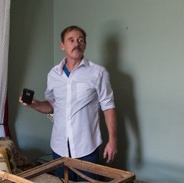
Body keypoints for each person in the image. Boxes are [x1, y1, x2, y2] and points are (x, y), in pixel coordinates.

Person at [20, 25, 117, 174]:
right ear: (62, 46)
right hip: (59, 147)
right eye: (71, 40)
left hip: (87, 147)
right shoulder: (53, 74)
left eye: (80, 40)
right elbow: (52, 105)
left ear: (85, 44)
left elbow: (108, 106)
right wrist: (35, 104)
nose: (76, 44)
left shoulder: (98, 73)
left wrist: (112, 141)